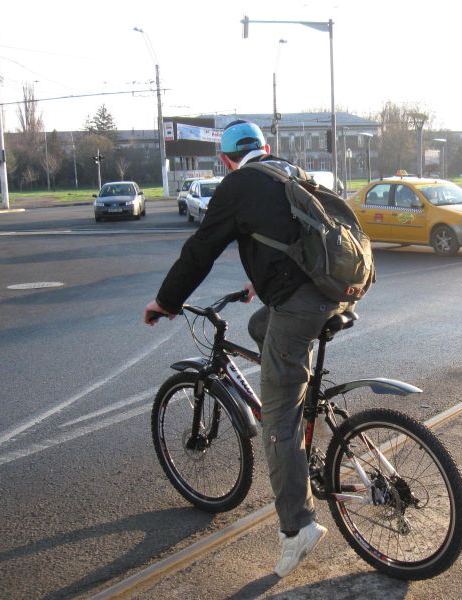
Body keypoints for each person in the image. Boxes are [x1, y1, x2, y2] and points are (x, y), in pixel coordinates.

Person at [143, 120, 350, 578]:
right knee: (261, 325)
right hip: (334, 286)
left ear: (225, 159)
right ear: (265, 147)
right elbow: (291, 233)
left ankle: (298, 529)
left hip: (302, 302)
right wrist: (263, 278)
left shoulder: (237, 185)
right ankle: (294, 378)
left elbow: (201, 250)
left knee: (278, 418)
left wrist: (166, 301)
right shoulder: (288, 170)